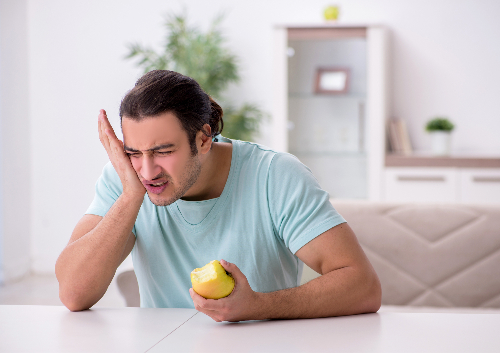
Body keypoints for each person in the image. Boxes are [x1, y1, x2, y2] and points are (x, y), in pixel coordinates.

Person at [56, 70, 381, 322]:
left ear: (204, 138)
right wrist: (130, 198)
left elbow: (362, 285)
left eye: (163, 151)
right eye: (133, 152)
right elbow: (73, 293)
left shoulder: (275, 175)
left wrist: (257, 306)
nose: (148, 171)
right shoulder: (127, 180)